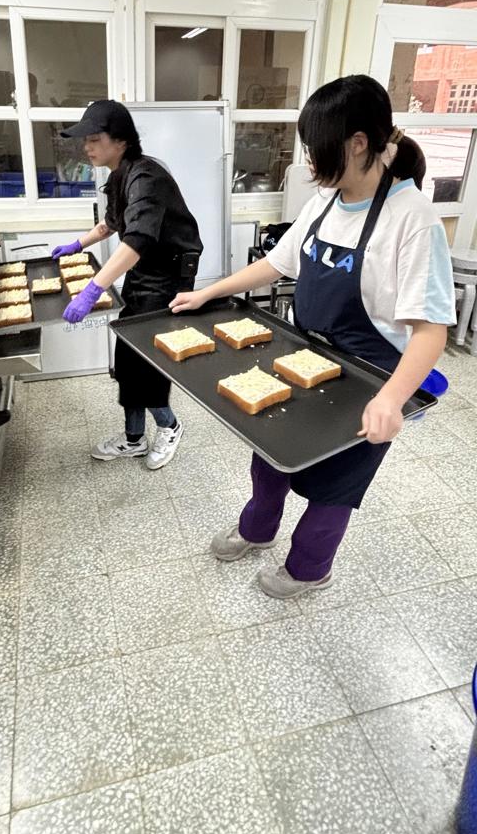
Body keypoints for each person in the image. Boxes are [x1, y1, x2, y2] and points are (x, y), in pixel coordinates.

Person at [171, 74, 455, 600]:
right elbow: (278, 263)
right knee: (272, 452)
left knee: (334, 485)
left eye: (316, 148)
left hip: (368, 375)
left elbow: (430, 330)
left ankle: (309, 569)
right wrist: (209, 292)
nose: (308, 161)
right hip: (304, 353)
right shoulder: (325, 201)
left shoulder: (412, 220)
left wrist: (391, 399)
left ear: (358, 143)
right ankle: (257, 528)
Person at [54, 100, 203, 470]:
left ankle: (169, 426)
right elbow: (112, 224)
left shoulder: (148, 177)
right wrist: (77, 244)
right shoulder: (119, 174)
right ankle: (134, 438)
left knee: (147, 359)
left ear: (120, 141)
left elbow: (136, 239)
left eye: (94, 139)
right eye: (85, 140)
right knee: (127, 356)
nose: (87, 147)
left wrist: (93, 290)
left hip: (168, 277)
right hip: (144, 270)